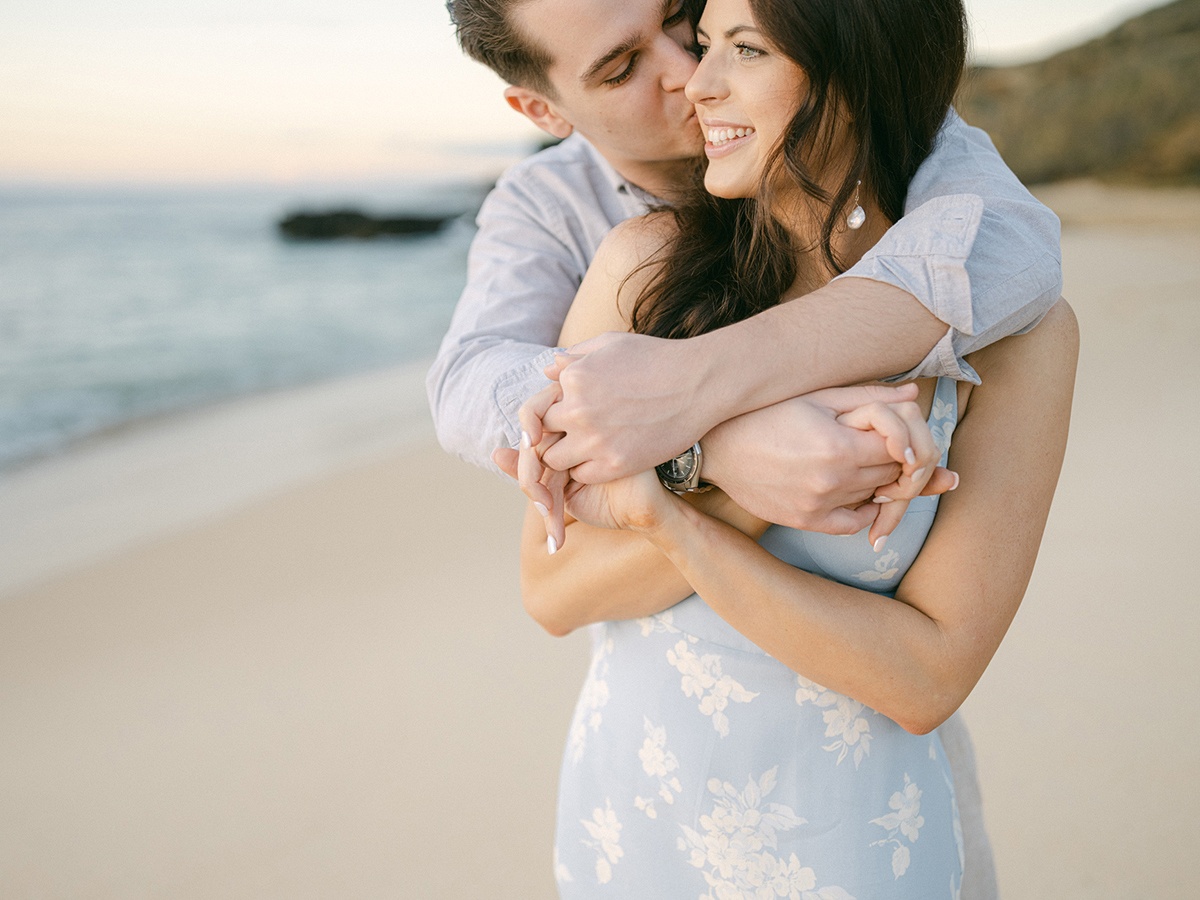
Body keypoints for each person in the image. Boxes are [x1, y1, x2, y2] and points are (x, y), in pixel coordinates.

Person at [431, 0, 1063, 894]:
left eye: (704, 31)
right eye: (620, 68)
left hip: (854, 832)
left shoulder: (984, 284)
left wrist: (690, 414)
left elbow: (927, 677)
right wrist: (717, 459)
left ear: (849, 68)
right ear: (544, 110)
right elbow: (480, 407)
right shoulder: (635, 257)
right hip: (640, 814)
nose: (692, 75)